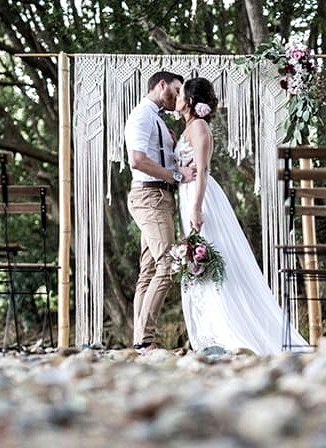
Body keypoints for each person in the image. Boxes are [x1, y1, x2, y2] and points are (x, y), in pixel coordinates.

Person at [174, 77, 310, 355]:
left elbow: (203, 170)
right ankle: (212, 332)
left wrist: (196, 207)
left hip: (202, 198)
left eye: (180, 94)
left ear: (188, 101)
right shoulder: (190, 127)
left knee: (211, 258)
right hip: (189, 195)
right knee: (201, 261)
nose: (175, 98)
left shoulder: (199, 127)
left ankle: (229, 332)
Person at [125, 71, 196, 352]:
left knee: (149, 270)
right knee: (168, 265)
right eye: (176, 90)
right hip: (150, 195)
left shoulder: (156, 118)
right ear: (162, 85)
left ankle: (142, 341)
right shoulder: (142, 115)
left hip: (158, 196)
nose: (179, 97)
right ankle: (146, 338)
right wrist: (176, 175)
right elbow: (137, 160)